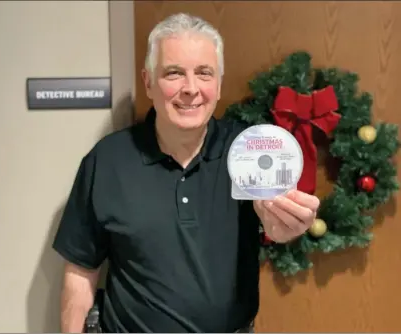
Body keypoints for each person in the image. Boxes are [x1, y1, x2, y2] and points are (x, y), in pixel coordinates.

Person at [52, 13, 320, 333]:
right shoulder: (107, 160)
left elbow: (277, 227)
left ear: (219, 85)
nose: (191, 89)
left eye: (204, 73)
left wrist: (284, 228)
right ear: (149, 82)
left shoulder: (251, 152)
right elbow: (80, 270)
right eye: (174, 73)